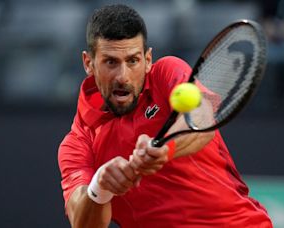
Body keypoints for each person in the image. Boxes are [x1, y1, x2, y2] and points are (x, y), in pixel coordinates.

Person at [58, 4, 272, 228]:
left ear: (148, 59)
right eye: (111, 62)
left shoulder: (166, 72)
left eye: (133, 61)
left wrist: (165, 148)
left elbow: (201, 118)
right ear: (88, 63)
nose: (123, 76)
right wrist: (100, 188)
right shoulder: (77, 144)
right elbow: (82, 223)